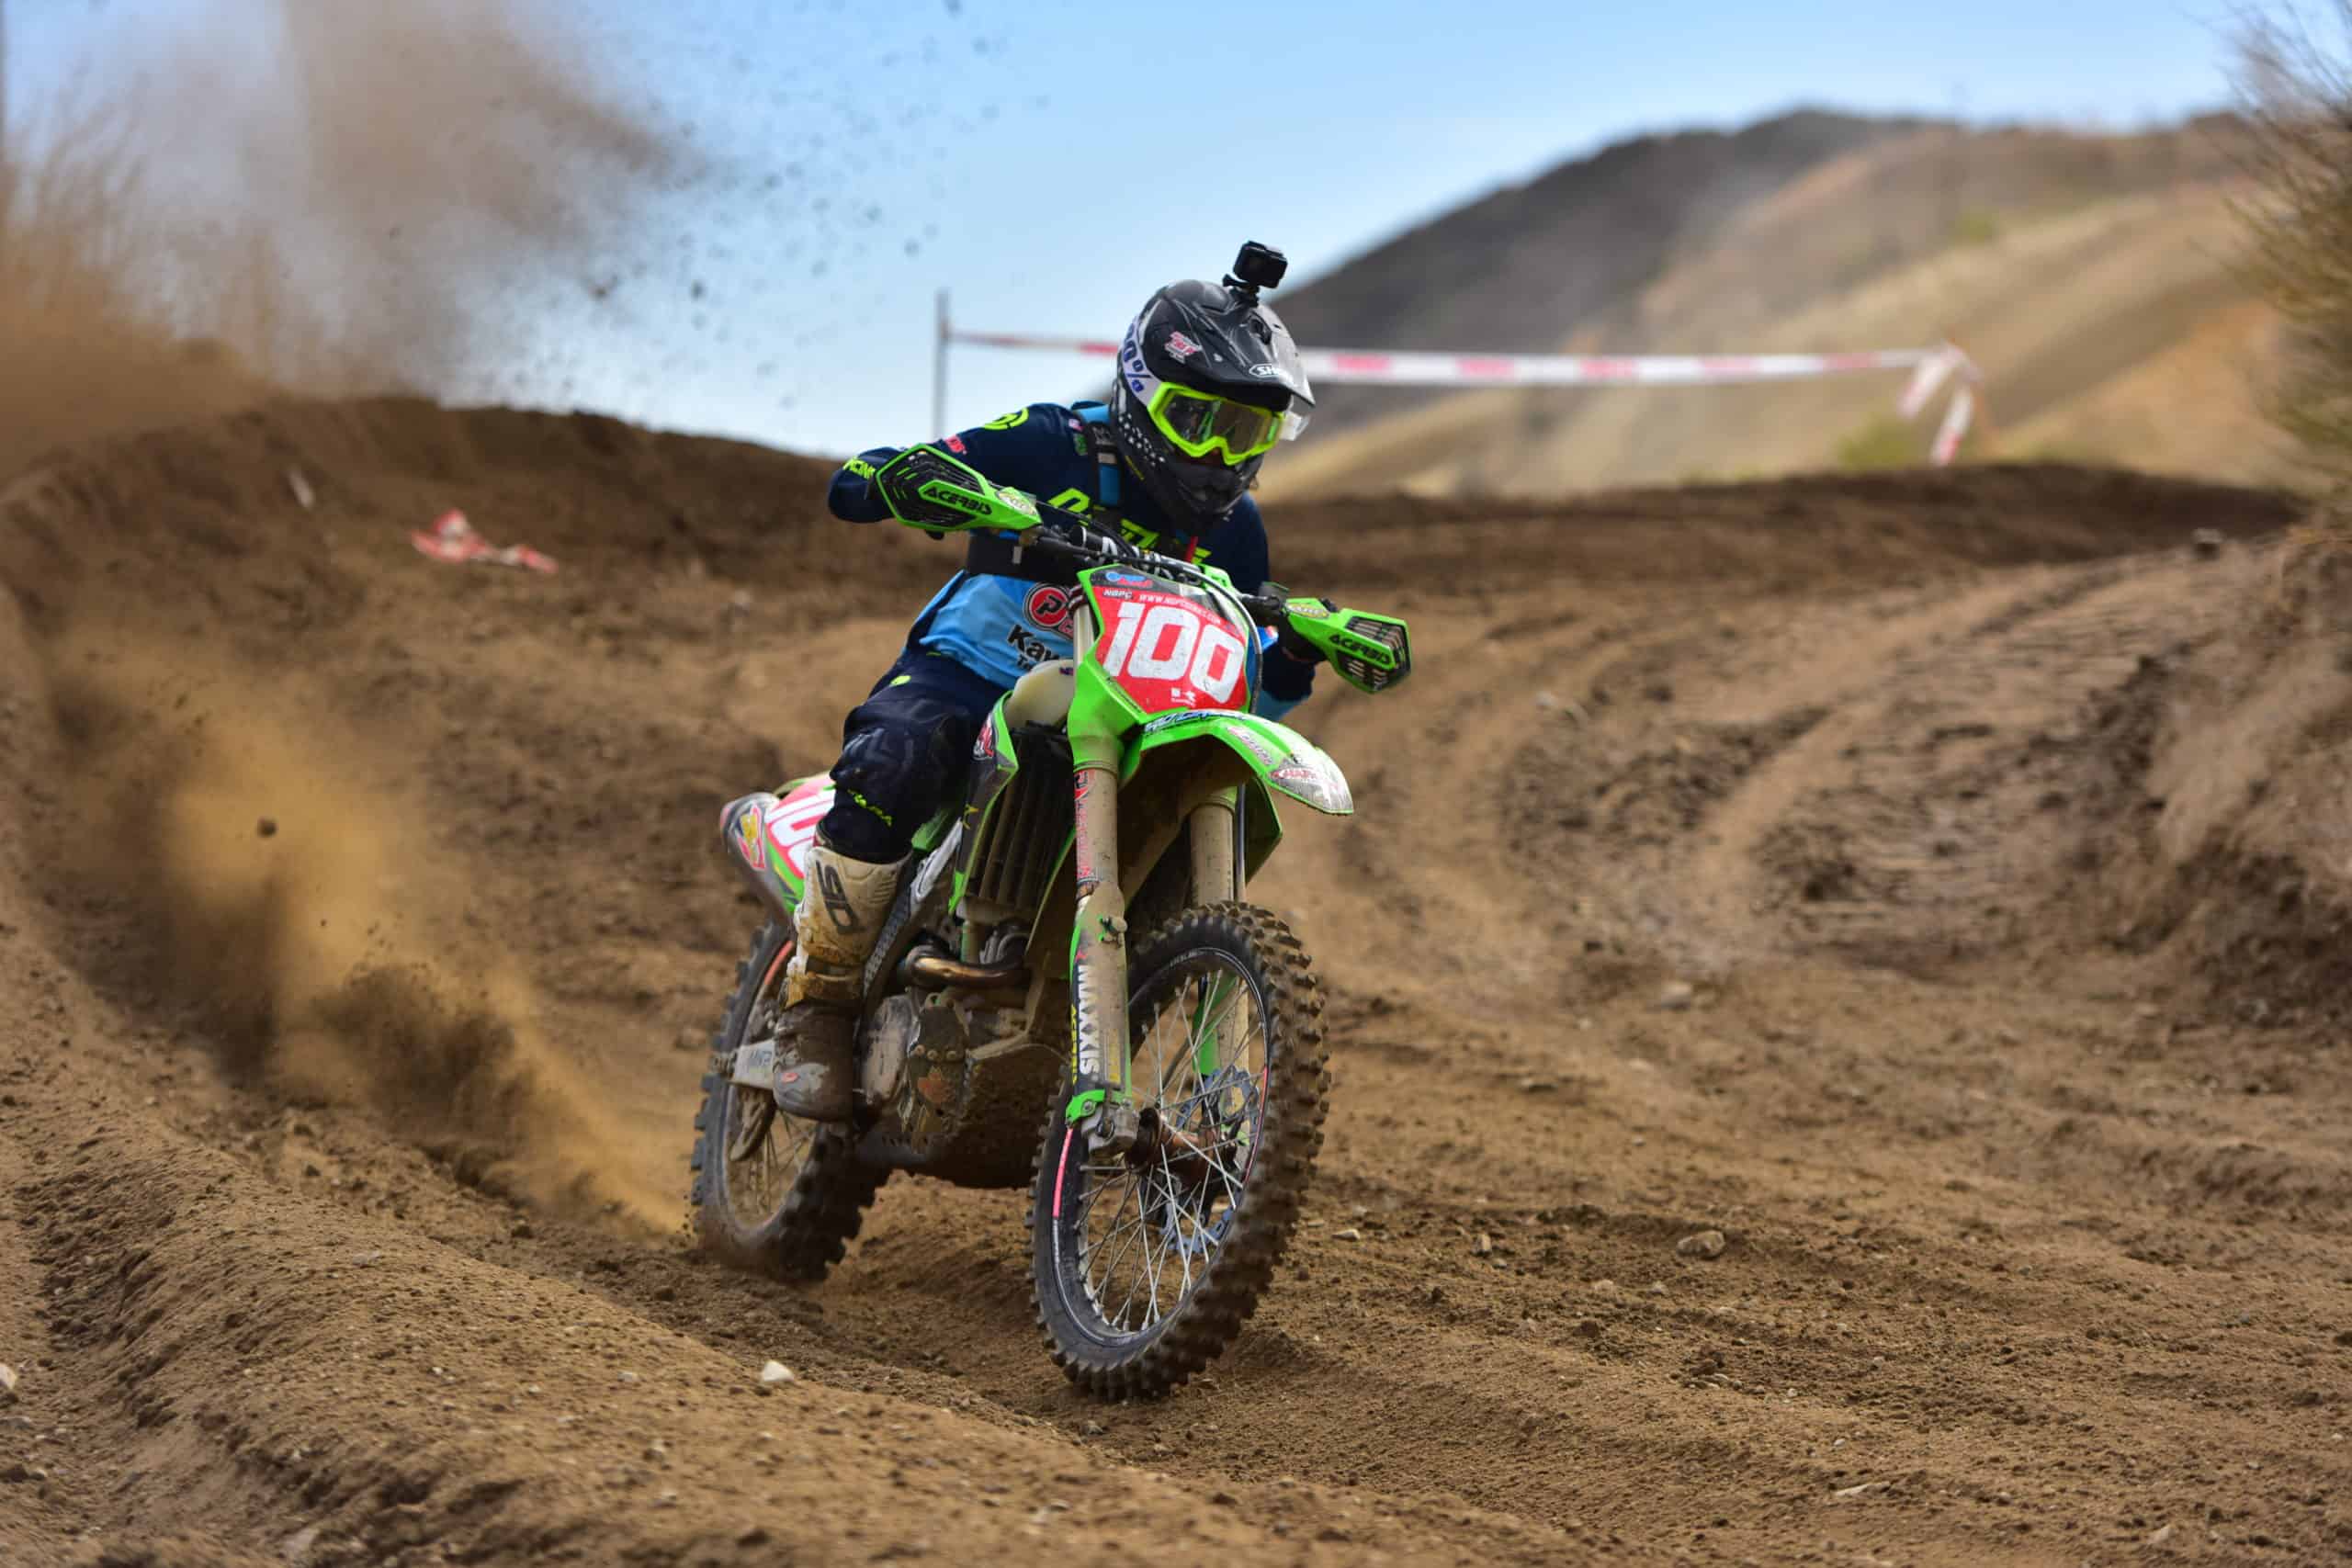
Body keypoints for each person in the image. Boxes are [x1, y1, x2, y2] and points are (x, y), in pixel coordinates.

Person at [770, 245, 1323, 1122]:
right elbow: (859, 484)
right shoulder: (1053, 444)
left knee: (1194, 812)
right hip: (979, 673)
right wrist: (904, 478)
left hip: (1132, 711)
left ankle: (1100, 1030)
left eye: (1245, 433)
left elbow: (1249, 693)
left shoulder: (1238, 534)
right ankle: (820, 1006)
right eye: (1197, 419)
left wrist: (1291, 654)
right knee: (901, 755)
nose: (1219, 455)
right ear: (1141, 396)